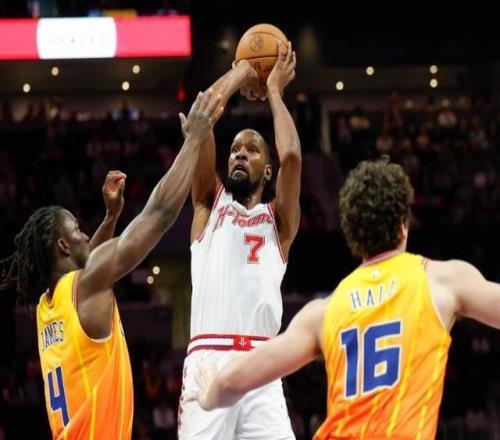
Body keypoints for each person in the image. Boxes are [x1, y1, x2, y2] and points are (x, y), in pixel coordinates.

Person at [187, 156, 500, 439]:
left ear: (352, 235)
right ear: (404, 225)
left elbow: (235, 379)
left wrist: (210, 392)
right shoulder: (441, 281)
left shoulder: (324, 311)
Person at [0, 90, 224, 439]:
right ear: (63, 246)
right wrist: (194, 140)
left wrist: (110, 217)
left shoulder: (48, 305)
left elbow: (90, 261)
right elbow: (158, 215)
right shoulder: (86, 284)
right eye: (77, 229)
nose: (85, 234)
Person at [178, 42, 300, 439]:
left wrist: (275, 90)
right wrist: (244, 71)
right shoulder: (208, 205)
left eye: (252, 150)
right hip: (208, 360)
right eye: (234, 150)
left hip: (262, 365)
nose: (239, 155)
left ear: (268, 171)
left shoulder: (279, 223)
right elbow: (201, 121)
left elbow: (292, 157)